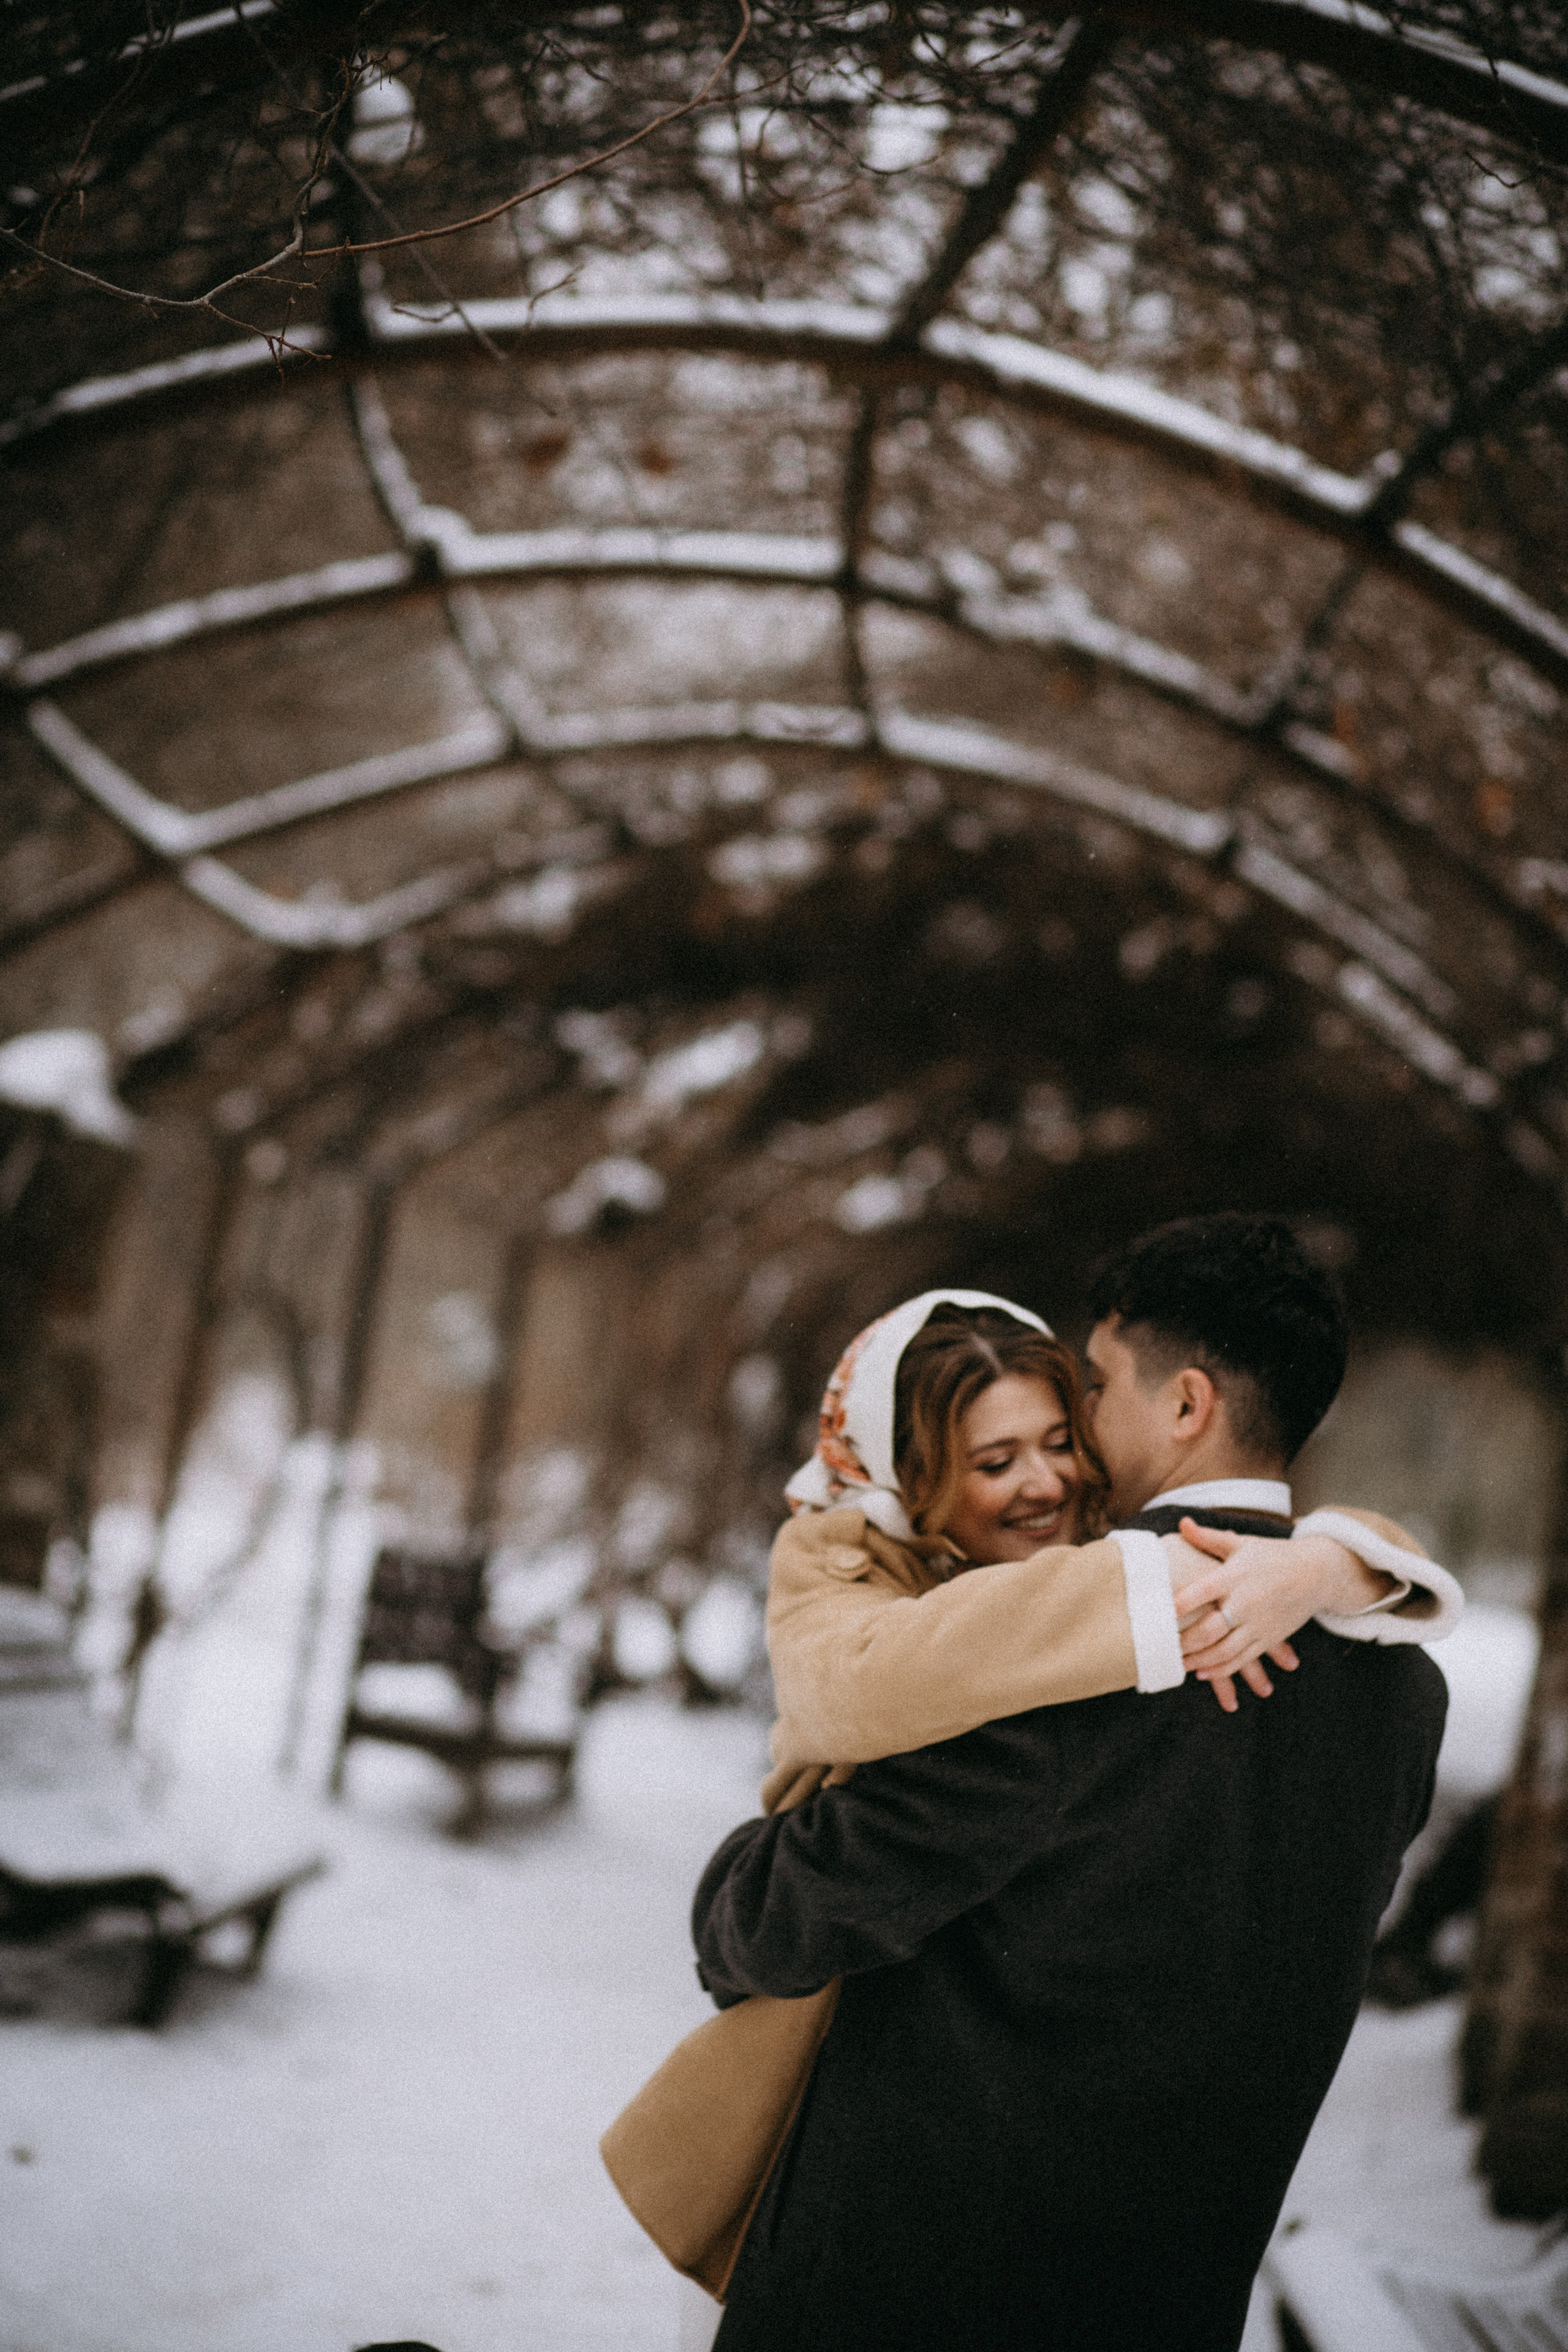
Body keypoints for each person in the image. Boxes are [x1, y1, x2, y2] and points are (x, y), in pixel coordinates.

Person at [690, 1216, 1450, 2351]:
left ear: (1186, 1405)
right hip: (1169, 2304)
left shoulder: (1061, 1656)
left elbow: (773, 1922)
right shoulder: (1403, 1696)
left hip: (908, 2293)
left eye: (1095, 1385)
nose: (1079, 1423)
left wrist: (732, 1888)